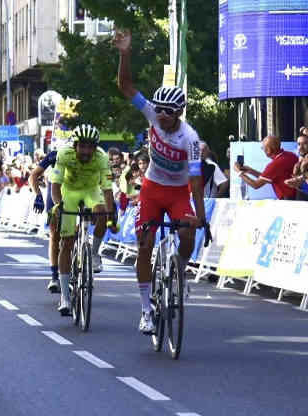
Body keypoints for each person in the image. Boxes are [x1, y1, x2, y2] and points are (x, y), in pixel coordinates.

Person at [115, 30, 205, 335]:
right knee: (145, 245)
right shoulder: (152, 115)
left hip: (178, 192)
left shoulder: (189, 138)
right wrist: (125, 54)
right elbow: (125, 86)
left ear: (179, 112)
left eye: (169, 113)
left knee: (189, 235)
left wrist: (200, 218)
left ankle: (179, 269)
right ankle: (145, 310)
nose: (162, 117)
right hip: (152, 189)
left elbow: (195, 181)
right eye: (159, 110)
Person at [48, 125, 116, 316]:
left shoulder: (102, 158)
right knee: (66, 244)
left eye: (90, 147)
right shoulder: (64, 154)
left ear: (95, 148)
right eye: (82, 146)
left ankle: (93, 253)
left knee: (102, 212)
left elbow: (107, 189)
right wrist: (59, 206)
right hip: (68, 192)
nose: (86, 151)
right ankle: (65, 296)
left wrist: (111, 212)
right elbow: (55, 184)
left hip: (91, 191)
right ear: (76, 145)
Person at [29, 146, 60, 294]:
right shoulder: (55, 155)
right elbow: (33, 175)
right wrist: (38, 195)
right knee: (55, 235)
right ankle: (54, 276)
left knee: (74, 233)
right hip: (55, 192)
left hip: (77, 191)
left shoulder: (90, 156)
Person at [234, 135, 299, 200]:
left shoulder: (275, 164)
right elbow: (269, 178)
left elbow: (255, 185)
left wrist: (239, 173)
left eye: (263, 148)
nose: (263, 149)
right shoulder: (291, 155)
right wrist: (251, 171)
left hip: (288, 200)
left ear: (268, 150)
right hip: (297, 196)